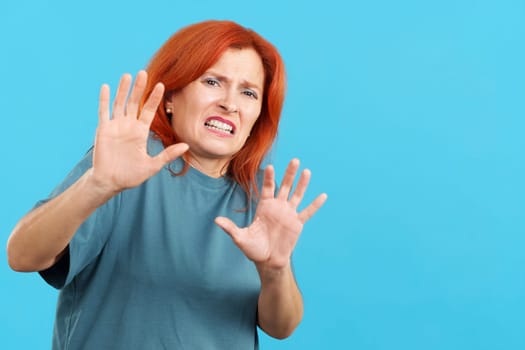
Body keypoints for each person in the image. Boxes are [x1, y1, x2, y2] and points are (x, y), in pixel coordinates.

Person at [7, 20, 327, 349]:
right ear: (172, 96)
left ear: (258, 115)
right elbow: (22, 256)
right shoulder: (129, 163)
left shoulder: (261, 195)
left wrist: (275, 268)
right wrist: (96, 186)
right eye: (213, 81)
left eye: (248, 92)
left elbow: (281, 327)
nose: (230, 103)